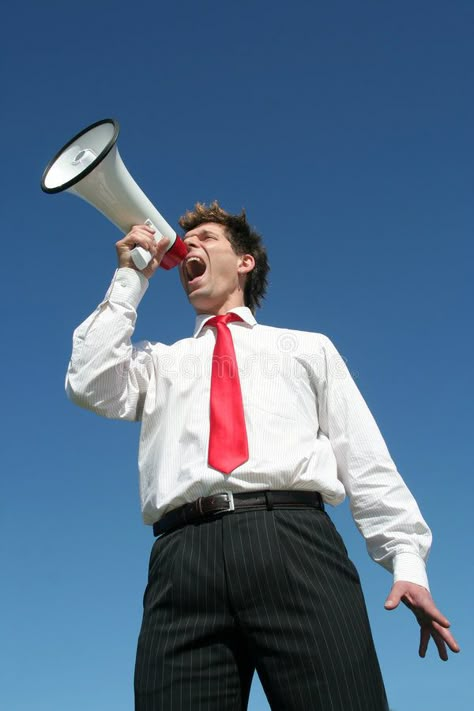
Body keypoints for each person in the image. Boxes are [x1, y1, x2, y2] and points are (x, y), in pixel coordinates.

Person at [66, 202, 459, 711]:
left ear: (245, 261)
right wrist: (129, 279)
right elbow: (89, 382)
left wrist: (407, 561)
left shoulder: (306, 348)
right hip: (182, 561)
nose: (191, 247)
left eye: (207, 238)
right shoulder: (157, 362)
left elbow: (365, 460)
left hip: (295, 544)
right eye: (188, 241)